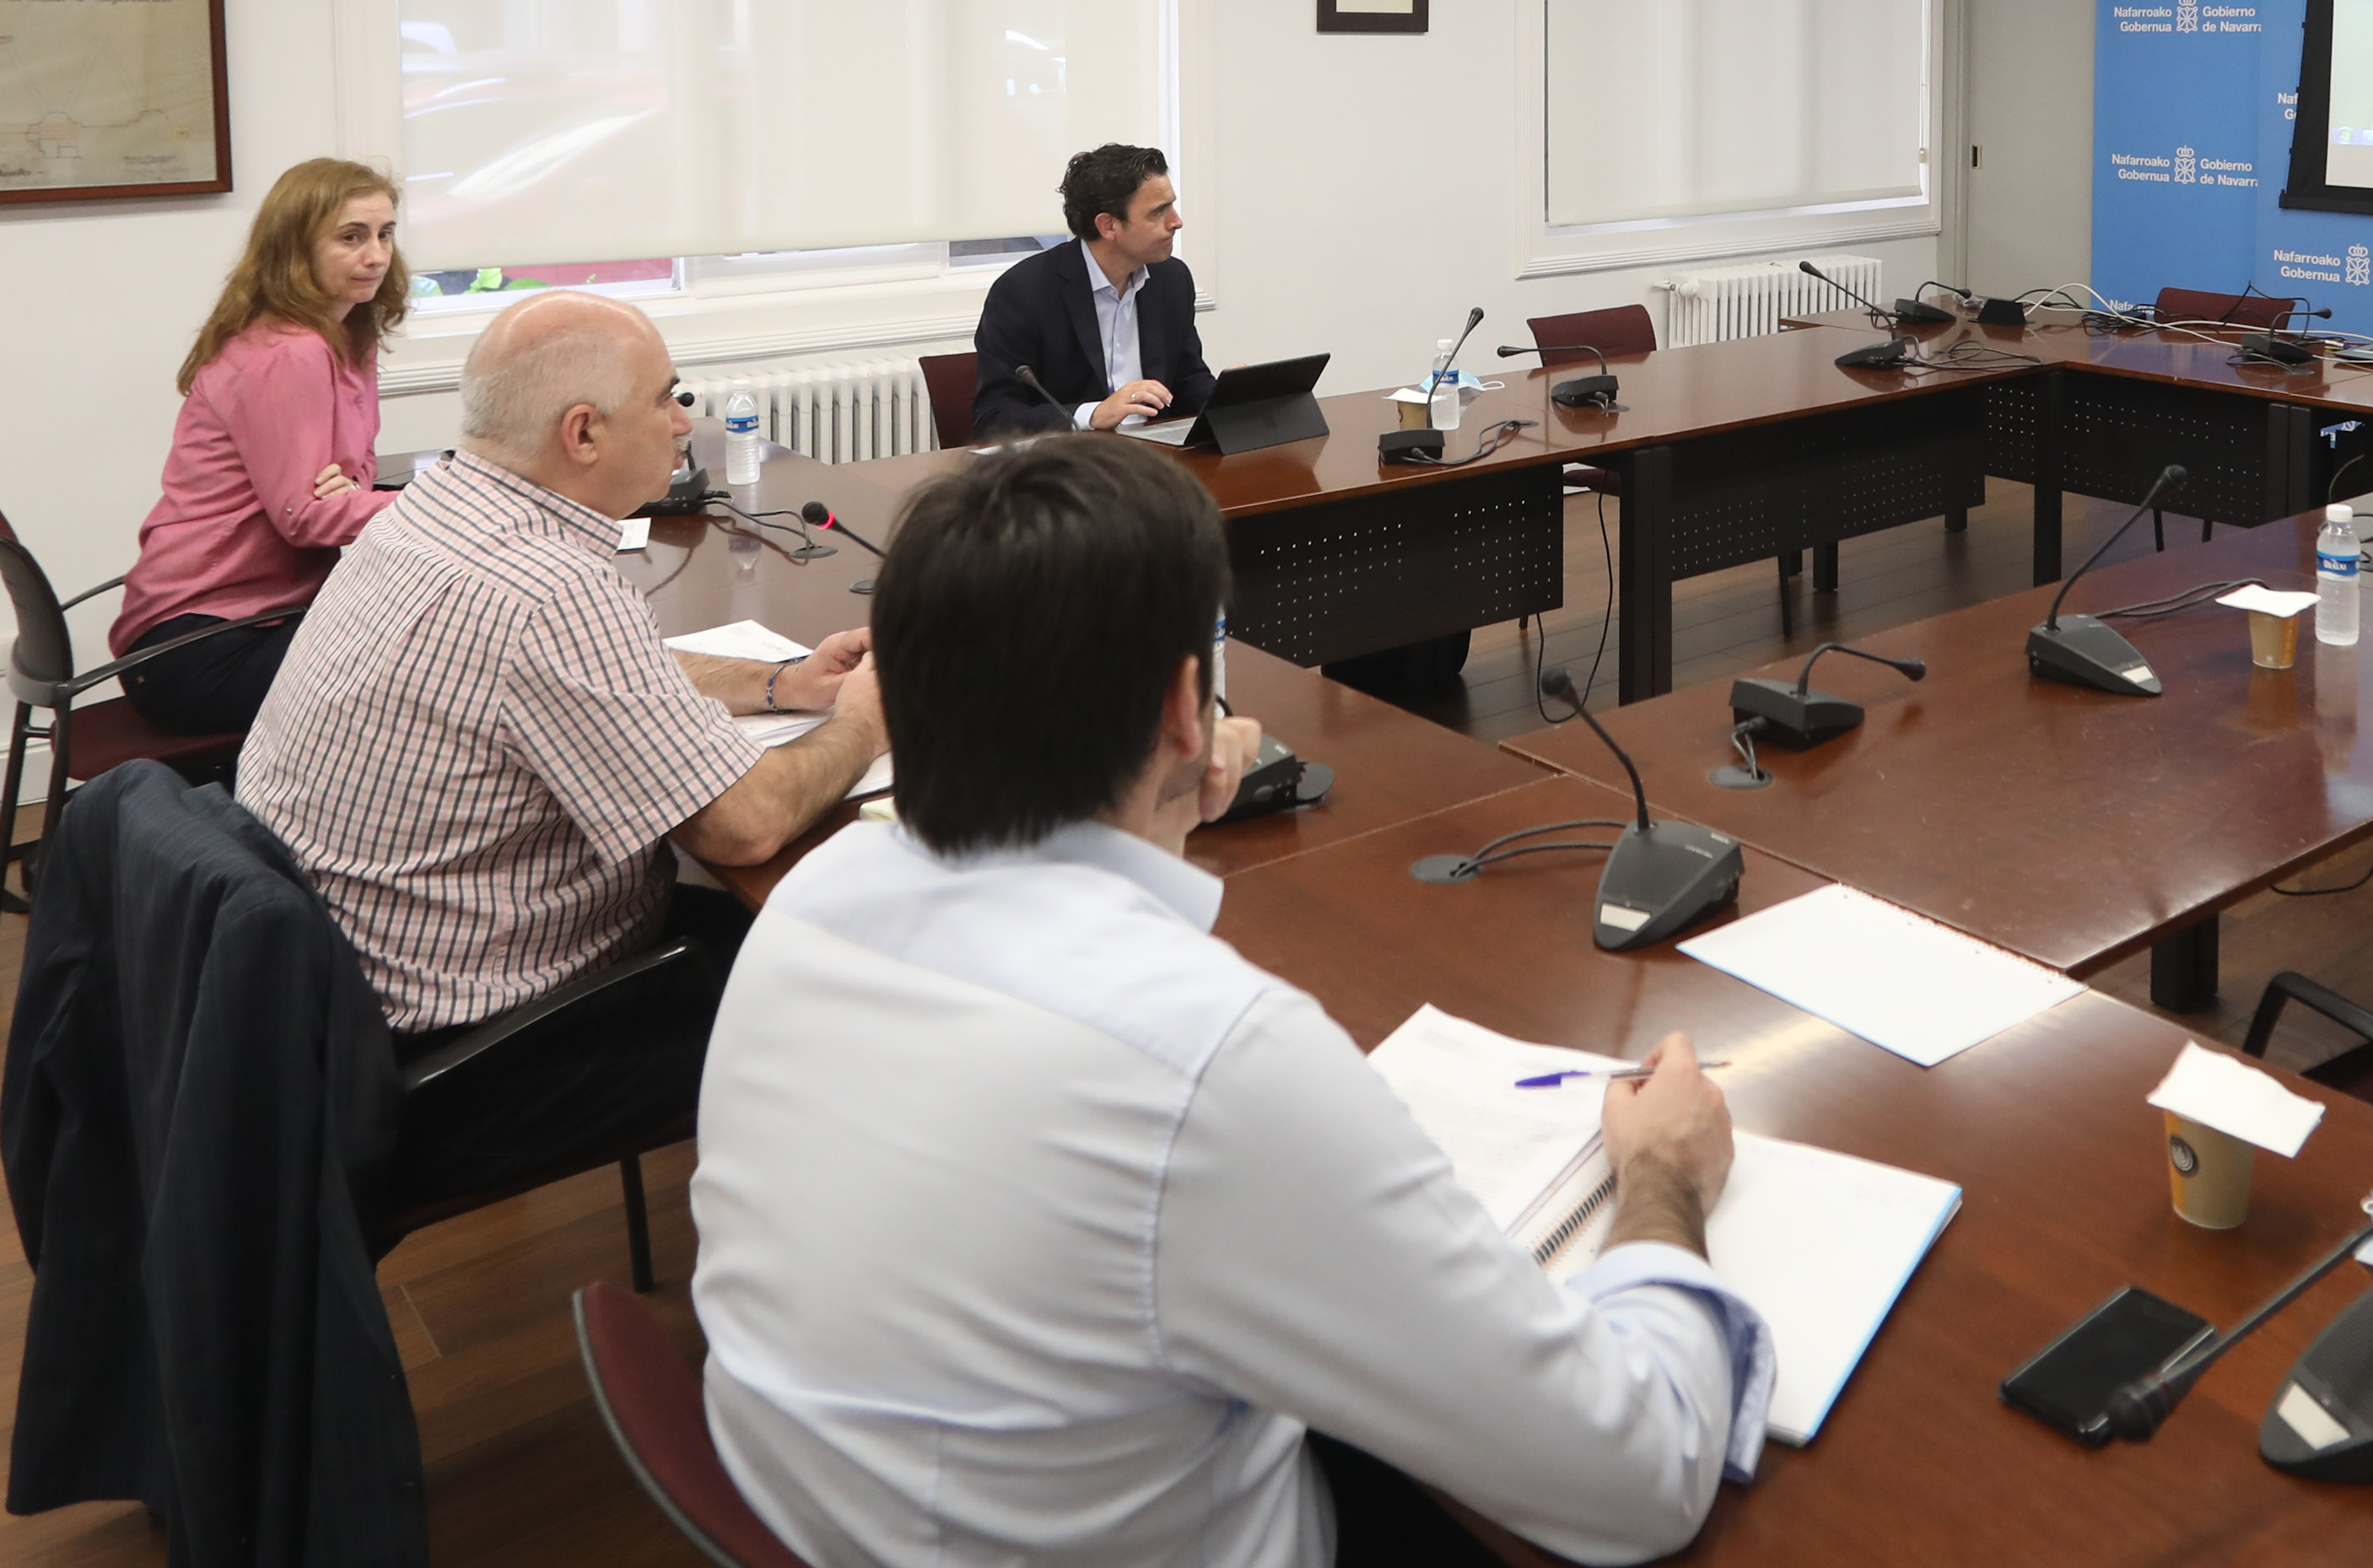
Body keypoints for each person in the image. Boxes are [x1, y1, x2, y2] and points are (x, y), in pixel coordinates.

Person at [690, 439, 1772, 1567]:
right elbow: (1639, 1475)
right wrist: (1663, 1180)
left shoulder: (817, 893)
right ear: (1181, 701)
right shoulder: (1207, 1058)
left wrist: (1165, 792)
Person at [238, 289, 888, 1208]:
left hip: (336, 993)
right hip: (466, 1049)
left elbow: (584, 676)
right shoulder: (550, 590)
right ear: (582, 433)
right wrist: (866, 718)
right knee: (849, 974)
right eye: (666, 397)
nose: (682, 422)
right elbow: (744, 828)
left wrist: (780, 685)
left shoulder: (426, 517)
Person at [112, 158, 409, 736]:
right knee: (435, 659)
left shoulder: (346, 337)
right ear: (295, 248)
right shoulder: (289, 351)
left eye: (384, 233)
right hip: (200, 646)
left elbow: (352, 485)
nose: (375, 255)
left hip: (259, 620)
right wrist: (443, 504)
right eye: (351, 237)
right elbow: (308, 514)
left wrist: (354, 495)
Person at [968, 143, 1217, 438]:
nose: (1176, 221)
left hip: (1155, 459)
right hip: (1074, 467)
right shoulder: (1023, 292)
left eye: (1172, 206)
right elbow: (994, 417)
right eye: (1159, 212)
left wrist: (1231, 397)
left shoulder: (1171, 279)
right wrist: (1093, 414)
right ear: (1108, 226)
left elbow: (1188, 380)